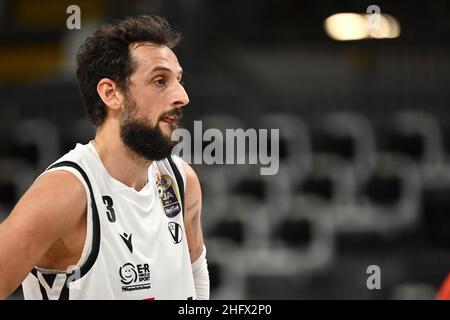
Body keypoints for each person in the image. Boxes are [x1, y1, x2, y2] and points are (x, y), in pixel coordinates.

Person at [0, 15, 209, 300]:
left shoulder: (181, 180)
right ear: (111, 93)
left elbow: (195, 271)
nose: (182, 96)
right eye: (160, 81)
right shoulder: (66, 191)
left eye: (179, 80)